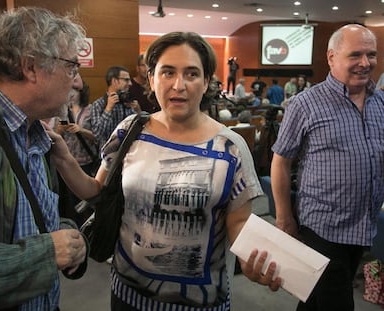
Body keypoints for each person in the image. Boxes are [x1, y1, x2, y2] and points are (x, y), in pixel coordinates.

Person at [47, 31, 281, 311]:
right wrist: (63, 159)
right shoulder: (130, 131)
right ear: (151, 78)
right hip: (128, 295)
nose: (178, 85)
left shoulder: (230, 148)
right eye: (167, 72)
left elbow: (238, 224)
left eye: (192, 74)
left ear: (206, 82)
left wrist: (252, 260)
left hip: (199, 304)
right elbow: (97, 191)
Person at [0, 7, 88, 310]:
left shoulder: (34, 131)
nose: (78, 83)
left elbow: (23, 216)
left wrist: (64, 233)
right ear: (30, 67)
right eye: (72, 67)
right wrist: (44, 255)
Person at [271, 24, 384, 311]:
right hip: (322, 228)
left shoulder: (380, 102)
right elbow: (281, 160)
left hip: (363, 225)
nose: (365, 63)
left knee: (313, 301)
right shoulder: (305, 104)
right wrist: (284, 218)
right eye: (355, 55)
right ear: (332, 57)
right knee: (337, 301)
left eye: (371, 55)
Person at [55, 79, 98, 225]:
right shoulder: (61, 111)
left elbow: (98, 137)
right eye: (69, 91)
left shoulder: (91, 110)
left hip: (87, 161)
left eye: (75, 91)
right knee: (71, 204)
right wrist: (59, 131)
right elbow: (55, 138)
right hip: (67, 162)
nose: (72, 94)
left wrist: (81, 131)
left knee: (88, 201)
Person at [90, 66, 140, 148]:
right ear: (114, 81)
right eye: (126, 80)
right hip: (108, 155)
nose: (130, 83)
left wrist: (138, 111)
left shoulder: (128, 103)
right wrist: (108, 109)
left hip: (129, 152)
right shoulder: (99, 104)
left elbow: (140, 130)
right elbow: (97, 135)